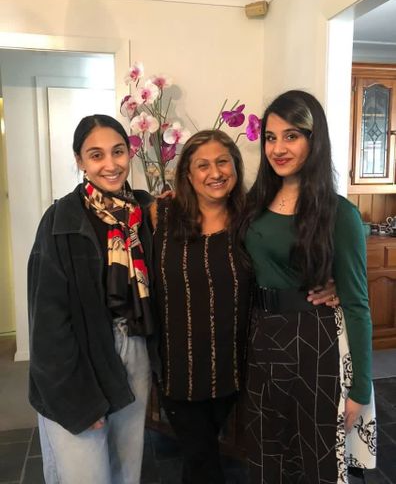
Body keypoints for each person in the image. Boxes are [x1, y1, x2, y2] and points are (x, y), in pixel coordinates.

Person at [149, 129, 339, 484]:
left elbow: (291, 257)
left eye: (223, 162)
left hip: (236, 367)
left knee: (226, 454)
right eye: (202, 165)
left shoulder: (252, 220)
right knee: (200, 458)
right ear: (187, 175)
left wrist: (336, 280)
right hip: (179, 369)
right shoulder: (160, 214)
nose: (215, 173)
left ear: (236, 168)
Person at [243, 90, 376, 484]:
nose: (278, 148)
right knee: (266, 454)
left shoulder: (340, 215)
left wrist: (361, 387)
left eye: (291, 136)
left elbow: (357, 305)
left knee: (316, 458)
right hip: (261, 338)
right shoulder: (253, 204)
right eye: (270, 137)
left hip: (315, 343)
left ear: (314, 140)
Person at [28, 114, 154, 484]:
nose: (110, 164)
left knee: (125, 471)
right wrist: (76, 396)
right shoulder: (60, 221)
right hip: (80, 358)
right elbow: (47, 321)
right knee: (85, 474)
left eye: (118, 151)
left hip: (133, 350)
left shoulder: (142, 214)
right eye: (96, 155)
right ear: (80, 161)